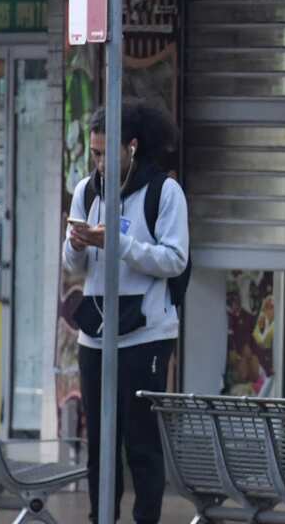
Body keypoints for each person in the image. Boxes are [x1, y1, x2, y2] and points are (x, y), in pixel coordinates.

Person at [63, 99, 189, 524]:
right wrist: (77, 244)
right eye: (93, 153)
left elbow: (175, 260)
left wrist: (118, 245)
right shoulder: (87, 190)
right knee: (100, 440)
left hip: (146, 333)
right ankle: (102, 517)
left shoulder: (163, 192)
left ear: (130, 147)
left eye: (104, 153)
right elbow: (73, 266)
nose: (97, 162)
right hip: (96, 333)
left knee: (140, 442)